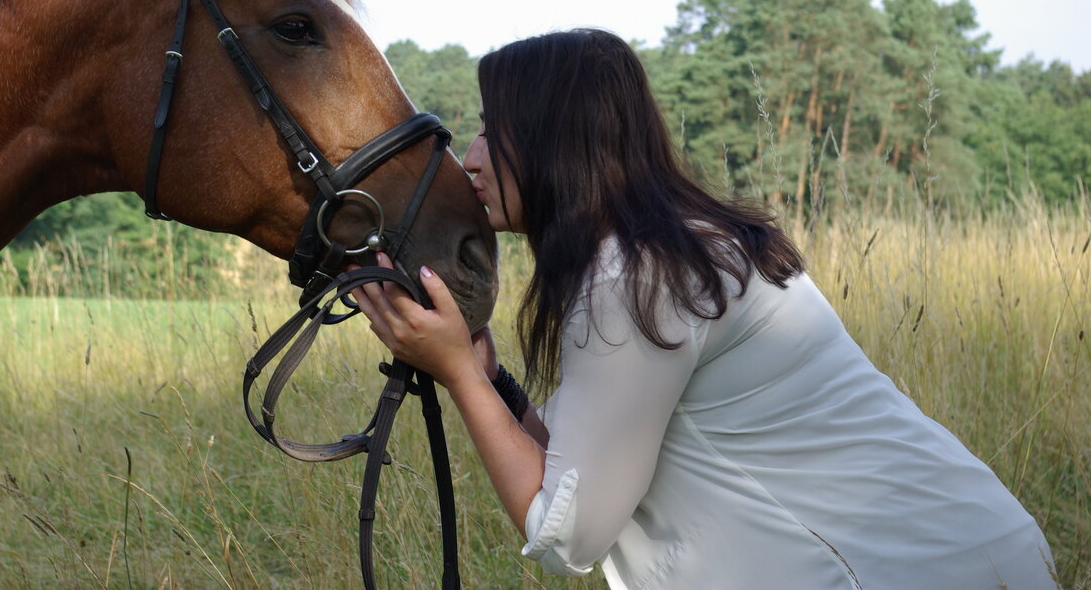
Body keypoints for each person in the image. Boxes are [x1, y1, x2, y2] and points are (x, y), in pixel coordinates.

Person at [351, 29, 1057, 589]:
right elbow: (576, 466)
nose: (471, 159)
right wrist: (487, 377)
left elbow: (569, 536)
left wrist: (458, 373)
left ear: (552, 138)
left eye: (489, 130)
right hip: (967, 548)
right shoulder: (679, 246)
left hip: (900, 572)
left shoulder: (631, 276)